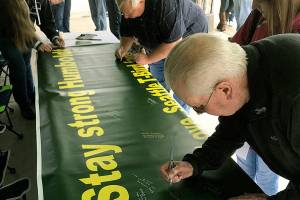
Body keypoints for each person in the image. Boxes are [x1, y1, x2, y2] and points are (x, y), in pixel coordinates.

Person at [160, 33, 300, 199]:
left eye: (199, 108)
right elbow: (232, 129)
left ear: (225, 90)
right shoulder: (241, 71)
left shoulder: (292, 96)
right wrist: (195, 163)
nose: (201, 112)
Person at [229, 0, 300, 195]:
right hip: (251, 114)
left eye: (261, 5)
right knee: (244, 167)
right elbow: (234, 50)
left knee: (266, 176)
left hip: (282, 126)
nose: (253, 6)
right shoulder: (256, 17)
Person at [115, 0, 208, 111]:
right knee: (157, 79)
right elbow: (127, 33)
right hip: (161, 37)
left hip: (190, 34)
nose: (125, 16)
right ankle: (160, 109)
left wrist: (148, 59)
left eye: (128, 12)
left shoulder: (165, 5)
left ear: (141, 2)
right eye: (123, 13)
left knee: (181, 80)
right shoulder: (128, 9)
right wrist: (123, 48)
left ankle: (180, 115)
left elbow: (173, 44)